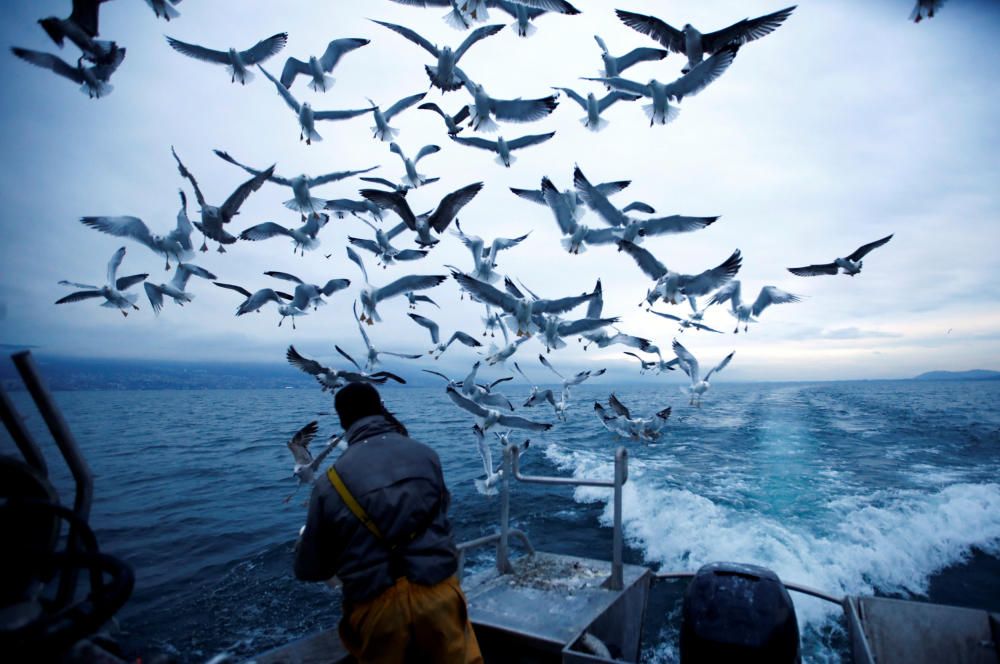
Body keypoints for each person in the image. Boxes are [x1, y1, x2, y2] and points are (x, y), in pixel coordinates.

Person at [295, 382, 483, 664]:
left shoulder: (329, 483)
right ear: (380, 408)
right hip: (439, 595)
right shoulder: (426, 455)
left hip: (379, 611)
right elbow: (442, 511)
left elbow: (311, 568)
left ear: (343, 420)